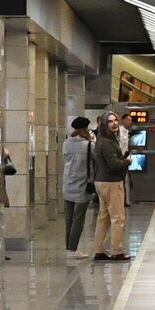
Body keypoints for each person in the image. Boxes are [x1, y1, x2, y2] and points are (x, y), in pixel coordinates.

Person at [92, 111, 131, 261]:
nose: (114, 123)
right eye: (110, 121)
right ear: (104, 125)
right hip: (111, 182)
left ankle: (99, 250)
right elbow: (114, 165)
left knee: (104, 217)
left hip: (101, 181)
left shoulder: (103, 140)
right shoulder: (107, 143)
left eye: (115, 120)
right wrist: (127, 161)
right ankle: (117, 251)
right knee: (117, 217)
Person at [62, 116, 94, 259]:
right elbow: (97, 160)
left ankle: (69, 248)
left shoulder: (66, 143)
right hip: (82, 185)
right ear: (85, 129)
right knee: (78, 219)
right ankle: (73, 249)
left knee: (69, 219)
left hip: (68, 184)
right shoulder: (89, 145)